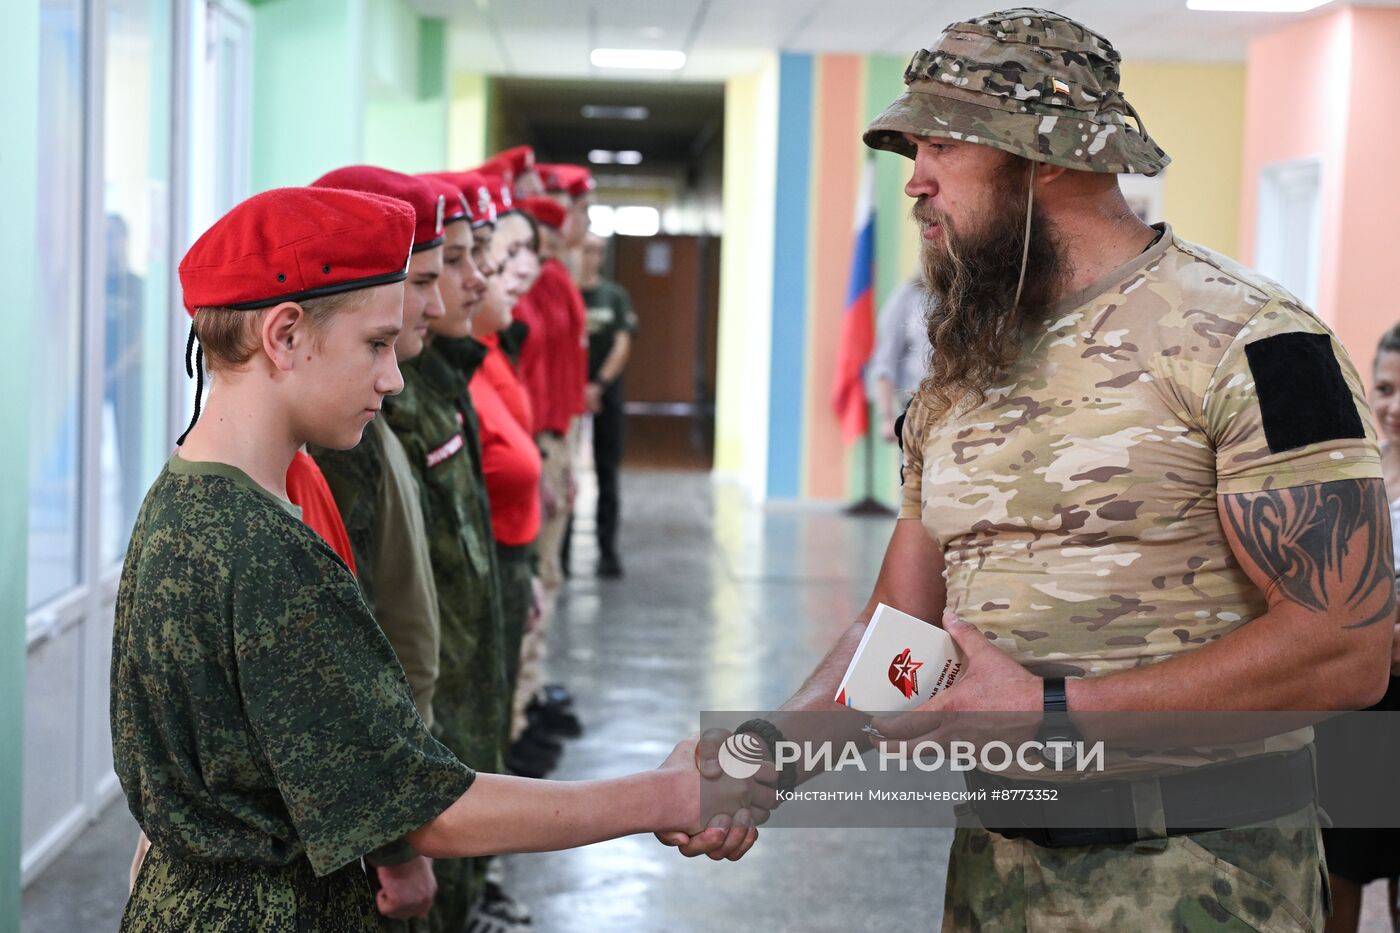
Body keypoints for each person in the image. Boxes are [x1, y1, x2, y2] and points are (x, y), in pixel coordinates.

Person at [663, 9, 1394, 930]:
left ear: (1044, 155)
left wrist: (1052, 712)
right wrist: (761, 757)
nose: (914, 183)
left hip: (1206, 881)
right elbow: (904, 633)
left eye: (939, 147)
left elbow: (1347, 646)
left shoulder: (1253, 342)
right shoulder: (964, 360)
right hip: (995, 874)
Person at [112, 185, 761, 931]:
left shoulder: (183, 496)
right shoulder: (267, 550)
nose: (391, 378)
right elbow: (425, 808)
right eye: (375, 345)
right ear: (284, 335)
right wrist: (665, 794)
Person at [304, 165, 451, 928]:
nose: (391, 376)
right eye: (376, 341)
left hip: (401, 772)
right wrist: (397, 843)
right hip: (369, 807)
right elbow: (349, 677)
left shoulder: (359, 412)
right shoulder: (333, 442)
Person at [1321, 322, 1400, 933]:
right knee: (1338, 866)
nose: (1394, 407)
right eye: (1385, 388)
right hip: (1361, 700)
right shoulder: (1358, 471)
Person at [577, 231, 638, 578]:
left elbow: (622, 345)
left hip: (606, 395)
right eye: (587, 250)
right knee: (566, 474)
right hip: (569, 395)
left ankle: (607, 551)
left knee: (607, 473)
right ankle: (565, 553)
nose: (593, 258)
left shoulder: (615, 297)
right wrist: (578, 389)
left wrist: (598, 385)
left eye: (598, 251)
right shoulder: (567, 293)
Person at [868, 274, 932, 443]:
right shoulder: (908, 295)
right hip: (917, 414)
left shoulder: (966, 292)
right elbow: (884, 364)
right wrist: (887, 418)